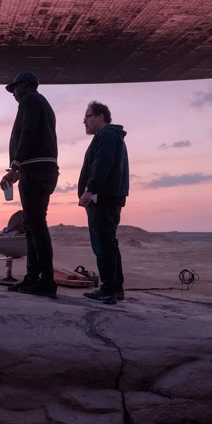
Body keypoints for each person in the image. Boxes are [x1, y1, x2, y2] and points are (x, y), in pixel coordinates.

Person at [0, 71, 60, 298]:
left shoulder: (30, 100)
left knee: (36, 226)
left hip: (35, 171)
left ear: (25, 86)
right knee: (32, 225)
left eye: (15, 88)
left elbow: (28, 132)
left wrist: (16, 166)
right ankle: (33, 278)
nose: (14, 93)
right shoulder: (41, 103)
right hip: (40, 170)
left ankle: (46, 280)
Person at [77, 101, 129, 305]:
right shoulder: (110, 136)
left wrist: (90, 190)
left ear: (100, 117)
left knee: (103, 245)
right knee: (109, 244)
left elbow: (102, 164)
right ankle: (116, 288)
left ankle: (108, 289)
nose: (84, 121)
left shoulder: (106, 135)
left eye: (87, 116)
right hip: (109, 197)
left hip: (103, 197)